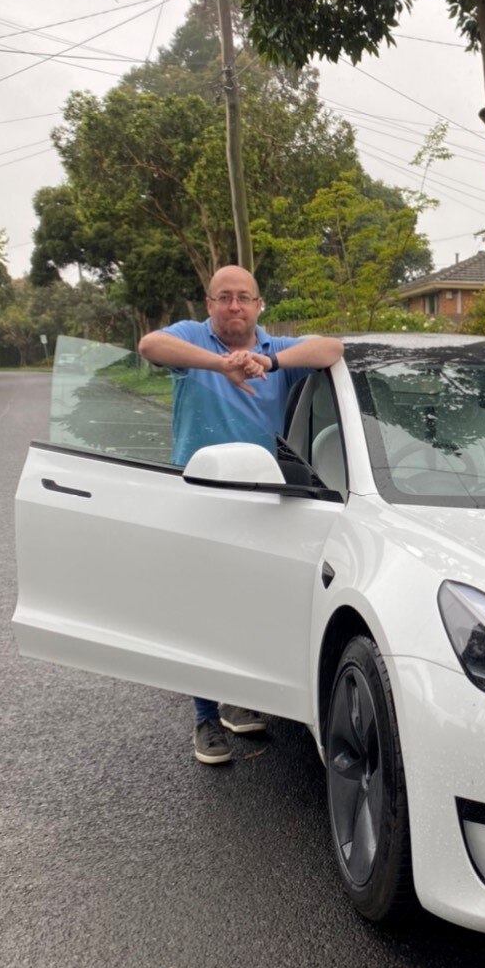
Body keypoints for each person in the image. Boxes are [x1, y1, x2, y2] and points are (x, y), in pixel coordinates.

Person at [138, 268, 344, 765]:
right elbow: (149, 346)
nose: (234, 306)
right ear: (209, 304)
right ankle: (206, 718)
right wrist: (220, 364)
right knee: (201, 606)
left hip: (264, 497)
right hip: (200, 493)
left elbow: (332, 349)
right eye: (224, 298)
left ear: (259, 304)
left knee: (254, 600)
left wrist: (266, 363)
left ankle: (238, 697)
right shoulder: (191, 338)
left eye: (243, 298)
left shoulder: (276, 352)